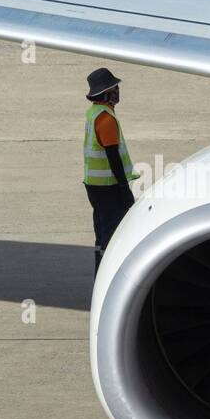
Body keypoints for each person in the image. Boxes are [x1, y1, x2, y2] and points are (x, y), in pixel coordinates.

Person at [82, 67, 140, 274]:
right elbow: (112, 155)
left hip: (94, 185)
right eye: (115, 88)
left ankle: (100, 271)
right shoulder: (106, 119)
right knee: (113, 231)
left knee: (102, 230)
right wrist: (124, 186)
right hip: (108, 186)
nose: (118, 92)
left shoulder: (94, 113)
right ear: (107, 93)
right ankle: (107, 273)